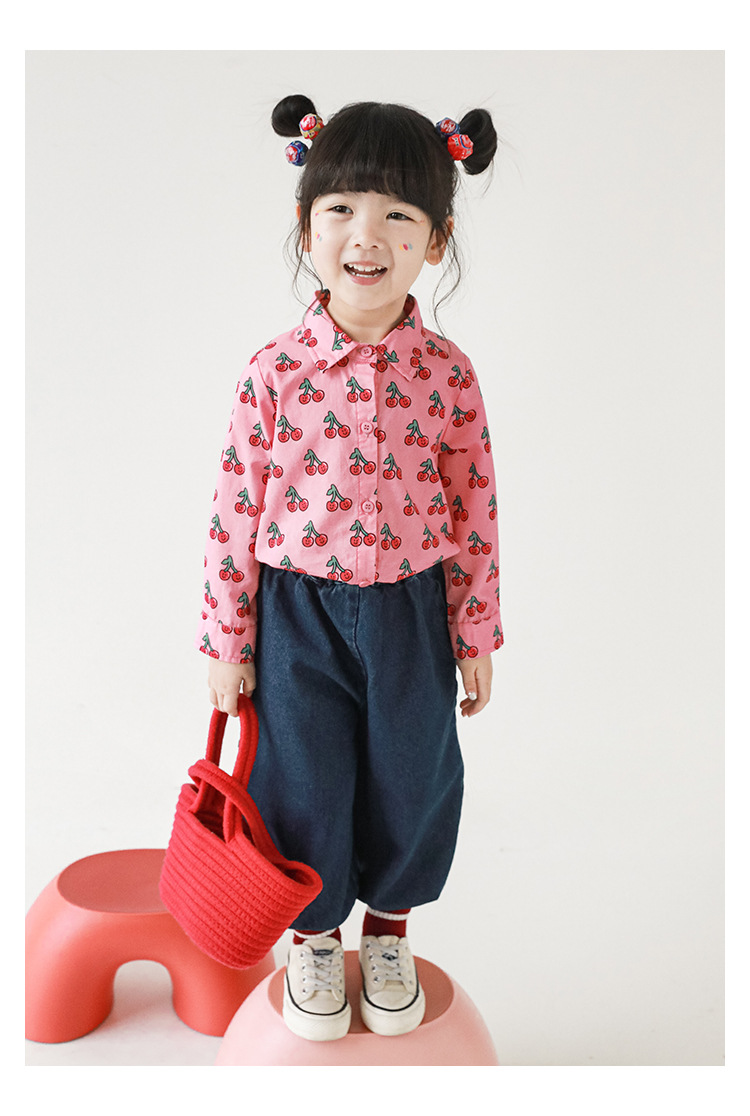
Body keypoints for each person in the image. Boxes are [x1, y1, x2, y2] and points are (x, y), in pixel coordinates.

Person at [197, 94, 504, 1042]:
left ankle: (389, 930)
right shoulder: (273, 373)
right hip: (296, 617)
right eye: (342, 209)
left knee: (416, 772)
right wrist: (227, 642)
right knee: (302, 778)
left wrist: (476, 634)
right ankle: (316, 936)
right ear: (307, 226)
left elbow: (476, 510)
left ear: (435, 243)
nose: (366, 235)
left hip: (412, 608)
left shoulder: (448, 375)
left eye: (398, 215)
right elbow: (234, 511)